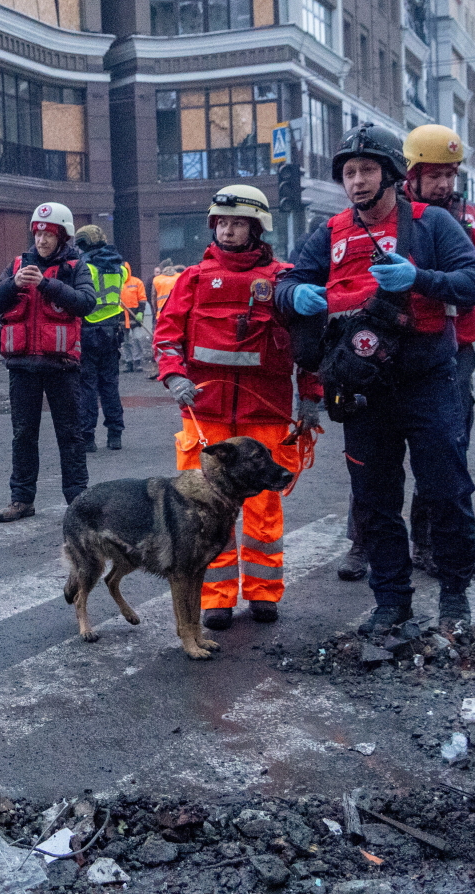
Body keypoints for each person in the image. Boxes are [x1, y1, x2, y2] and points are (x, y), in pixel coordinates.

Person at [277, 124, 475, 637]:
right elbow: (287, 281)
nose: (357, 181)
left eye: (367, 170)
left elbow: (474, 281)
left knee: (446, 491)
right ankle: (391, 601)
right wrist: (293, 295)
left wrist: (420, 278)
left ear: (391, 174)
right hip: (363, 388)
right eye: (349, 173)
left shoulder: (432, 223)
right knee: (374, 500)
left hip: (427, 381)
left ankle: (455, 593)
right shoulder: (329, 233)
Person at [331, 124, 475, 581]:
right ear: (409, 174)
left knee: (442, 455)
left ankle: (428, 542)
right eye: (434, 175)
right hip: (384, 351)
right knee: (372, 458)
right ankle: (362, 542)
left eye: (450, 175)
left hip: (453, 352)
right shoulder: (378, 218)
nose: (444, 184)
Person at [155, 185, 315, 628]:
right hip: (205, 413)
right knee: (204, 512)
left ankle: (263, 592)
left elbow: (308, 347)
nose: (227, 231)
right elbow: (167, 335)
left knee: (264, 509)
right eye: (221, 223)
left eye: (237, 223)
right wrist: (174, 376)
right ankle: (216, 597)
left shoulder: (284, 281)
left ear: (256, 228)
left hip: (266, 415)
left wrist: (311, 397)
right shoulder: (193, 278)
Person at [0, 202, 95, 522]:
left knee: (70, 434)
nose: (42, 240)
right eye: (38, 233)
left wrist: (46, 285)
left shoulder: (76, 266)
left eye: (49, 234)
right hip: (22, 366)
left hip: (62, 366)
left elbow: (86, 303)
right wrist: (14, 283)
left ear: (63, 236)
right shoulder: (18, 264)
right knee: (23, 435)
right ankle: (22, 500)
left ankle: (78, 500)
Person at [73, 225, 127, 452]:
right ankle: (115, 435)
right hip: (112, 332)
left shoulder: (86, 268)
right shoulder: (120, 268)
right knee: (110, 385)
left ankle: (88, 437)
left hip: (89, 331)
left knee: (88, 387)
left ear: (83, 244)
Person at [120, 267, 148, 373]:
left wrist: (141, 312)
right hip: (122, 317)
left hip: (135, 316)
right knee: (125, 341)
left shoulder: (137, 282)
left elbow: (142, 298)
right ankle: (129, 362)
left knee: (137, 338)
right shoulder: (117, 282)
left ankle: (137, 361)